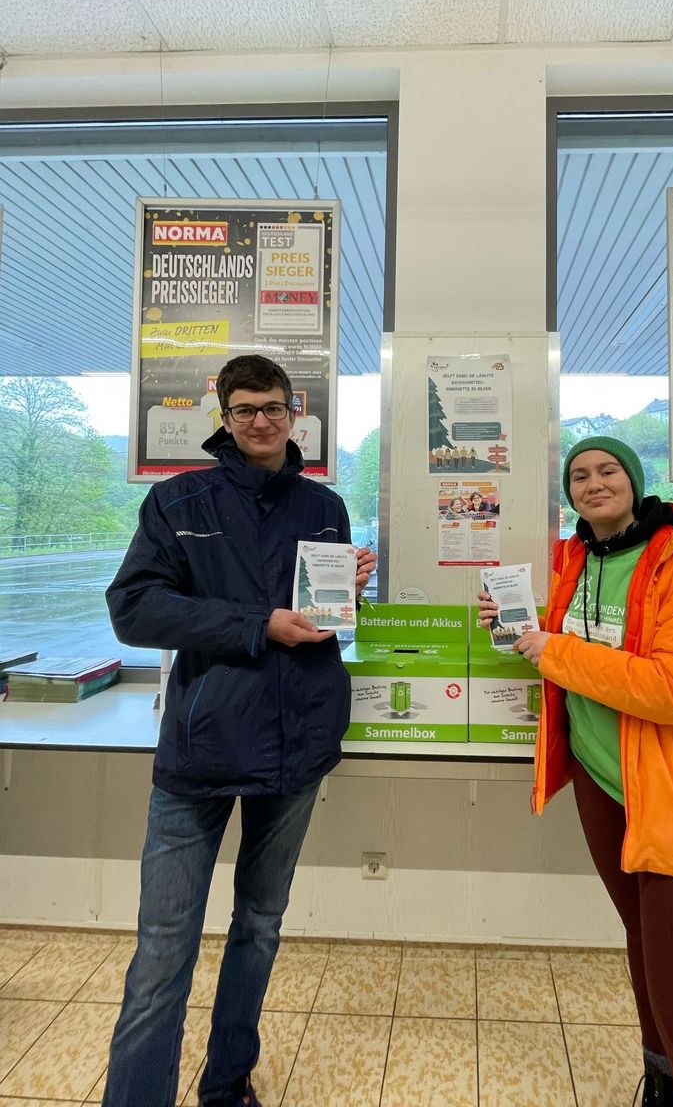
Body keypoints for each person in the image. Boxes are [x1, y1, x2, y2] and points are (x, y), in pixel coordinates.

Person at [103, 354, 375, 1107]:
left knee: (259, 924)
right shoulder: (178, 500)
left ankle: (226, 1085)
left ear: (296, 413)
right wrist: (258, 624)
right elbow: (135, 610)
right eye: (245, 409)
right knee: (164, 950)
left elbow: (322, 623)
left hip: (298, 745)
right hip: (203, 749)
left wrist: (347, 594)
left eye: (274, 407)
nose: (261, 421)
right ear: (223, 417)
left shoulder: (325, 507)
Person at [477, 436, 673, 1107]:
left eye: (608, 470)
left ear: (635, 481)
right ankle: (662, 1089)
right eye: (579, 475)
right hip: (603, 784)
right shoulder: (577, 560)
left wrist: (553, 649)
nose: (594, 483)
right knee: (644, 950)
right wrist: (524, 626)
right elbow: (602, 642)